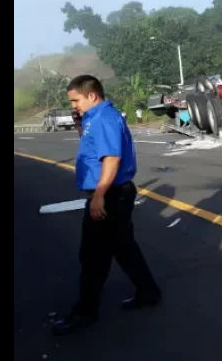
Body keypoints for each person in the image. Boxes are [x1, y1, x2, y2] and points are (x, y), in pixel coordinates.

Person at [51, 75, 162, 336]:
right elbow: (92, 149)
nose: (74, 105)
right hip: (112, 193)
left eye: (76, 100)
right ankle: (149, 293)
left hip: (111, 195)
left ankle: (86, 312)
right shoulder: (93, 118)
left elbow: (111, 158)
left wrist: (99, 195)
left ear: (92, 96)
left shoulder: (104, 118)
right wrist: (79, 126)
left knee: (92, 257)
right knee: (124, 249)